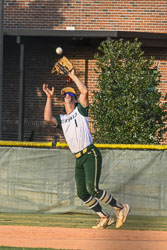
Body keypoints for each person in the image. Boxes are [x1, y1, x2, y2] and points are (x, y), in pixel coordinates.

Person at [43, 69, 130, 229]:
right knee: (82, 193)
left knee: (93, 189)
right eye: (63, 95)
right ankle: (105, 217)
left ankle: (120, 207)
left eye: (70, 94)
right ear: (62, 102)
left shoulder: (81, 111)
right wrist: (49, 97)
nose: (66, 96)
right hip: (78, 158)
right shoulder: (63, 120)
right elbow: (47, 118)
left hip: (90, 153)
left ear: (75, 100)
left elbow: (85, 91)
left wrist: (72, 75)